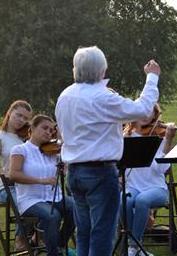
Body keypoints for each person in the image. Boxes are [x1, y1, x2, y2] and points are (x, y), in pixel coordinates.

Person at [55, 46, 161, 256]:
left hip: (74, 171)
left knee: (83, 232)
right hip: (99, 172)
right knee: (102, 233)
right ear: (102, 70)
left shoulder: (65, 95)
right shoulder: (101, 97)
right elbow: (142, 109)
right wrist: (152, 78)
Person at [8, 115, 76, 256]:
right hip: (30, 200)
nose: (48, 132)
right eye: (44, 128)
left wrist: (63, 169)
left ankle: (59, 245)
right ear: (32, 128)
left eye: (51, 130)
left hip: (54, 197)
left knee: (76, 208)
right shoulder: (20, 149)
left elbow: (61, 173)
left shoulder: (52, 151)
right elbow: (14, 175)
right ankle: (53, 253)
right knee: (52, 215)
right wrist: (41, 180)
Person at [122, 104, 177, 256]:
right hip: (132, 186)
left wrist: (168, 141)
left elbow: (162, 170)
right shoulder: (126, 136)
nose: (146, 115)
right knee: (125, 201)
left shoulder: (159, 137)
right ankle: (132, 246)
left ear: (155, 116)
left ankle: (133, 246)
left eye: (150, 112)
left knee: (142, 200)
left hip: (156, 188)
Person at [0, 100, 32, 249]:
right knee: (28, 204)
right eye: (18, 115)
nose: (21, 120)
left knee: (47, 202)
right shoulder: (1, 136)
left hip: (25, 185)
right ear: (10, 112)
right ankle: (21, 240)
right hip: (5, 187)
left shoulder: (26, 138)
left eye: (25, 118)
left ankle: (37, 237)